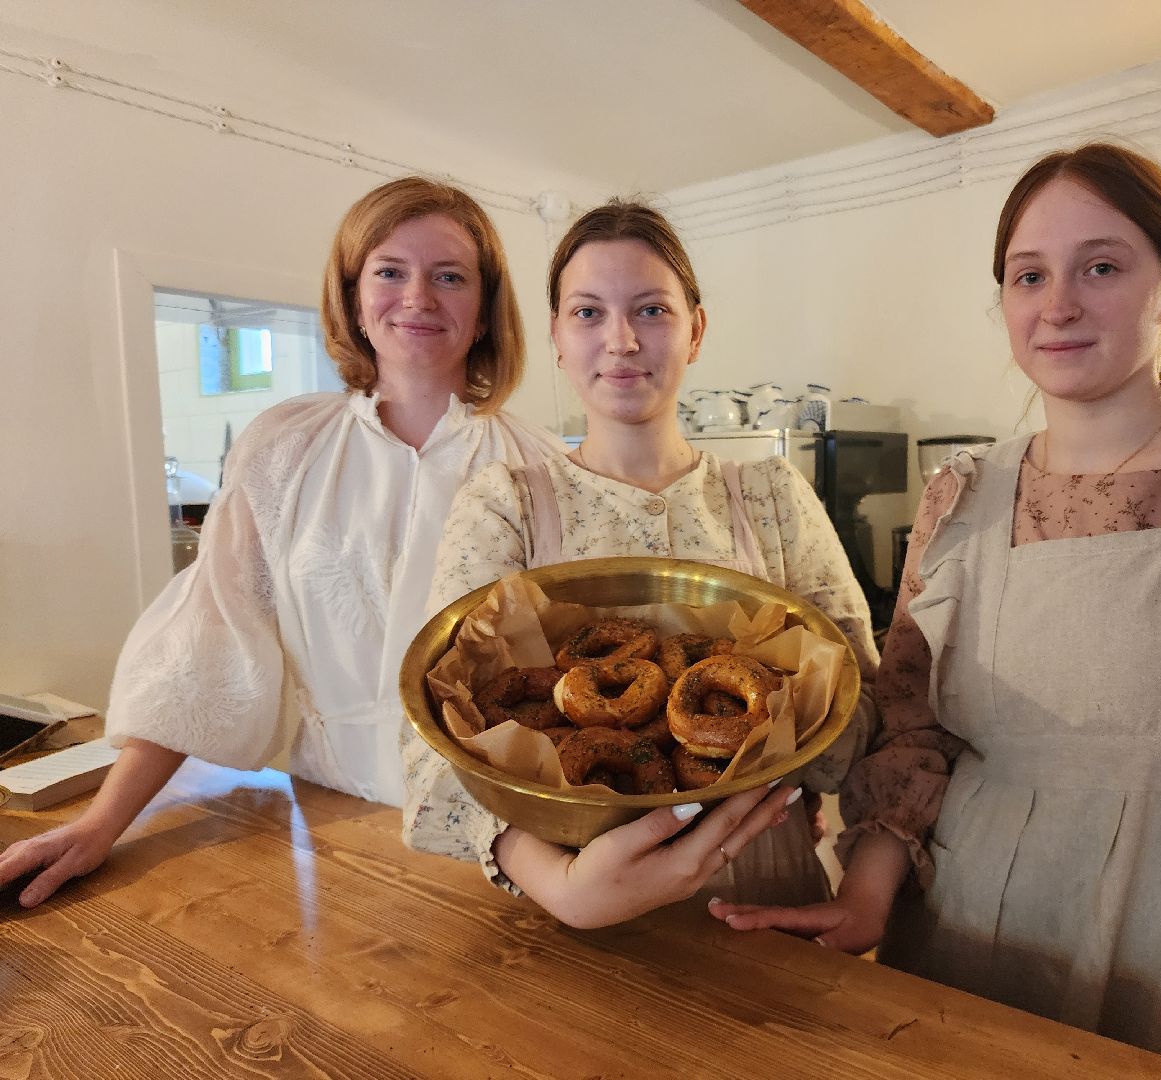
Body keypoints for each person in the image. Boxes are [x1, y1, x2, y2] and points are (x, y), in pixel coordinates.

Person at [711, 144, 1161, 1080]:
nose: (1056, 305)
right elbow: (913, 728)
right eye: (1029, 276)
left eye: (1100, 267)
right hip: (959, 954)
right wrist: (866, 893)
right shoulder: (960, 498)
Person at [0, 177, 565, 908]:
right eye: (390, 272)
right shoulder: (284, 451)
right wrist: (99, 824)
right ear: (353, 298)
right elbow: (206, 646)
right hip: (331, 822)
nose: (418, 297)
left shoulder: (541, 470)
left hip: (502, 838)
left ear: (486, 308)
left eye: (450, 276)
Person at [402, 200, 880, 929]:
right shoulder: (505, 504)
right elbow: (432, 738)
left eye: (651, 310)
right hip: (562, 892)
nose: (621, 340)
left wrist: (786, 754)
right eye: (588, 313)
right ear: (557, 338)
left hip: (761, 881)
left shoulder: (773, 497)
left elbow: (860, 704)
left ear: (697, 330)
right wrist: (558, 884)